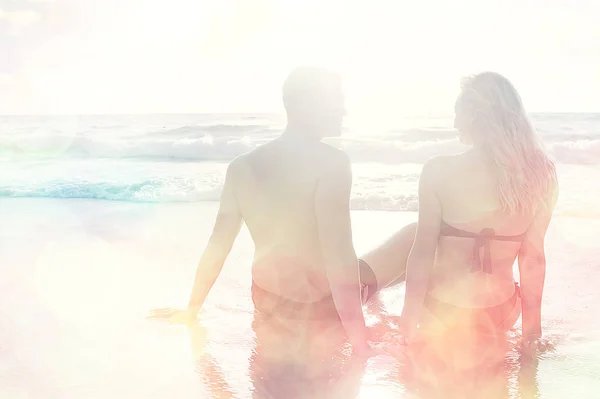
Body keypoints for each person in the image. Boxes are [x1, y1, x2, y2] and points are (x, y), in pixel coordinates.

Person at [149, 66, 391, 355]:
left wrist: (192, 309)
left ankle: (371, 299)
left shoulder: (241, 167)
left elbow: (218, 246)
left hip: (268, 302)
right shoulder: (332, 163)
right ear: (308, 105)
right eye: (336, 100)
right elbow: (338, 259)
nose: (344, 111)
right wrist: (360, 341)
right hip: (318, 308)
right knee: (414, 237)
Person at [361, 72, 558, 353]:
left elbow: (422, 253)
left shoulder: (438, 169)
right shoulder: (542, 174)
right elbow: (533, 259)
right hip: (501, 313)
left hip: (443, 311)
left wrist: (408, 324)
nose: (454, 123)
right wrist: (531, 334)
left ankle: (358, 287)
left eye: (458, 113)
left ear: (476, 115)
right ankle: (369, 289)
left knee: (414, 235)